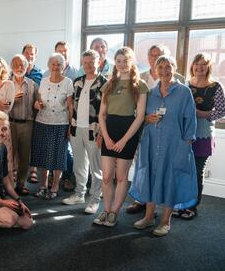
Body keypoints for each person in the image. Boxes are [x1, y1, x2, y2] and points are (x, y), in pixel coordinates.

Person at [129, 56, 197, 236]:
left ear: (174, 68)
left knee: (170, 179)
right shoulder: (150, 92)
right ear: (155, 69)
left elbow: (190, 119)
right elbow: (140, 116)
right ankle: (149, 216)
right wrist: (146, 119)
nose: (165, 71)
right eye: (161, 67)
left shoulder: (184, 92)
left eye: (168, 67)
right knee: (150, 177)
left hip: (174, 143)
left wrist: (186, 144)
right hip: (151, 142)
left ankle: (165, 221)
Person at [126, 44, 184, 214]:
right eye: (152, 55)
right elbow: (134, 107)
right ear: (148, 58)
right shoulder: (140, 78)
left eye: (159, 55)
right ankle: (142, 200)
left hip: (169, 134)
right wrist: (144, 119)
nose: (155, 58)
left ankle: (165, 204)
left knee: (167, 170)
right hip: (146, 132)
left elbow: (183, 108)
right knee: (143, 167)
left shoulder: (179, 79)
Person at [95, 47, 148, 227]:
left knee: (121, 177)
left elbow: (140, 116)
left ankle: (114, 213)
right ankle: (106, 209)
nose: (122, 64)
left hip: (128, 133)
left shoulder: (139, 85)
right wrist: (107, 137)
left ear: (131, 61)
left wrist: (124, 140)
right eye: (118, 61)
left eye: (125, 61)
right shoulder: (108, 84)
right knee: (107, 176)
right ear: (114, 63)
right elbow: (101, 115)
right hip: (110, 131)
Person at [175, 53, 225, 220]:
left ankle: (192, 207)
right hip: (184, 135)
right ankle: (181, 204)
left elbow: (222, 111)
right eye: (197, 64)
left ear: (208, 67)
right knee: (183, 171)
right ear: (192, 66)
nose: (200, 67)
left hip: (203, 135)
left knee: (196, 172)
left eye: (204, 64)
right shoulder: (185, 85)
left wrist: (201, 114)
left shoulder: (216, 87)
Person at [62, 50, 106, 214]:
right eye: (85, 62)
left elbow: (105, 111)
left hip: (93, 130)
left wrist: (102, 132)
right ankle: (79, 194)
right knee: (79, 164)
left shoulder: (104, 83)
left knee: (96, 167)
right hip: (76, 128)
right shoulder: (77, 81)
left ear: (99, 62)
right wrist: (70, 125)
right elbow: (72, 105)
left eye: (91, 62)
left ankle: (94, 199)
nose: (88, 65)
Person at [30, 53, 73, 200]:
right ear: (49, 66)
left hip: (60, 124)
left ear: (63, 66)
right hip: (42, 122)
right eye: (53, 64)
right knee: (43, 156)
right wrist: (37, 104)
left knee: (58, 157)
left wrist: (70, 126)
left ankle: (54, 187)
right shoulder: (43, 81)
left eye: (58, 64)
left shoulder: (68, 82)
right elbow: (39, 101)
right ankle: (42, 186)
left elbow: (71, 106)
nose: (55, 67)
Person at [8, 54, 38, 196]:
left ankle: (21, 184)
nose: (19, 67)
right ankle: (7, 185)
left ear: (27, 67)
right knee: (9, 156)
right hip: (10, 123)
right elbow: (2, 104)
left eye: (22, 65)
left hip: (27, 124)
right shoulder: (7, 83)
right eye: (16, 65)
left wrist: (39, 104)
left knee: (25, 156)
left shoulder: (32, 84)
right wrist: (11, 100)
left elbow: (38, 104)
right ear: (11, 67)